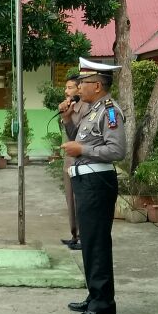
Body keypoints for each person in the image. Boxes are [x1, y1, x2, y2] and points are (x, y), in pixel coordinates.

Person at [60, 58, 127, 314]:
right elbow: (79, 137)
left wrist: (82, 150)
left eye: (83, 83)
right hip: (86, 183)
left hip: (98, 184)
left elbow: (117, 150)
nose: (78, 87)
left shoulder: (109, 111)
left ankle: (103, 307)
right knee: (89, 242)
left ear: (97, 86)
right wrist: (67, 120)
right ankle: (94, 295)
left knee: (97, 244)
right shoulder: (90, 109)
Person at [58, 75, 90, 250]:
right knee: (70, 200)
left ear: (79, 89)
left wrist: (67, 118)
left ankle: (84, 237)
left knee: (80, 201)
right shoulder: (68, 108)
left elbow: (77, 138)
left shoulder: (85, 110)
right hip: (68, 162)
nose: (66, 91)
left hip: (81, 163)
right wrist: (65, 114)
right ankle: (74, 235)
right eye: (66, 87)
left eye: (70, 87)